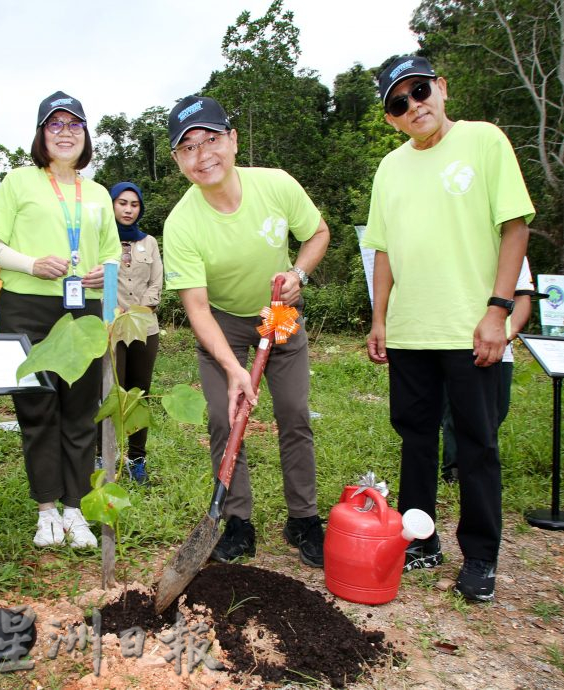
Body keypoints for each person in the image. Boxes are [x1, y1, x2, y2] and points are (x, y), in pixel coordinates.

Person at [363, 55, 532, 602]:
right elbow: (383, 251)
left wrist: (498, 309)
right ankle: (423, 540)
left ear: (441, 87)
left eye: (418, 91)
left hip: (470, 328)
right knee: (415, 440)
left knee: (477, 444)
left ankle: (480, 556)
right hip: (411, 329)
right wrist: (380, 318)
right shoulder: (390, 167)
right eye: (398, 103)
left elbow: (513, 227)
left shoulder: (484, 141)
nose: (413, 106)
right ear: (390, 118)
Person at [163, 95, 330, 567]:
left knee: (294, 413)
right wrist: (233, 368)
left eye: (211, 139)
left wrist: (298, 273)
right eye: (188, 147)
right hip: (223, 324)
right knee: (224, 416)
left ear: (233, 141)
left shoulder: (275, 185)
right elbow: (196, 308)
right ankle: (237, 522)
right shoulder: (182, 223)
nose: (203, 154)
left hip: (277, 313)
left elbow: (318, 232)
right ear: (178, 161)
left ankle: (304, 520)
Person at [0, 91, 119, 549]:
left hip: (81, 309)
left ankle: (75, 507)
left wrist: (106, 277)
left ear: (86, 137)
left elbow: (112, 257)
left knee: (79, 412)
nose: (65, 133)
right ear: (41, 135)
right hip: (27, 307)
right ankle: (46, 508)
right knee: (38, 408)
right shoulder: (19, 182)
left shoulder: (100, 193)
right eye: (55, 125)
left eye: (74, 125)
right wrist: (30, 264)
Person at [441, 258, 533, 483]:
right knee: (454, 409)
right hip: (458, 342)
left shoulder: (516, 255)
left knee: (497, 410)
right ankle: (454, 467)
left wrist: (506, 334)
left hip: (499, 346)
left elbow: (522, 299)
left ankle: (481, 462)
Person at [98, 182, 163, 484]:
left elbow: (156, 284)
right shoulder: (100, 240)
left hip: (144, 328)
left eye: (134, 204)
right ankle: (105, 458)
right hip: (110, 329)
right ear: (111, 205)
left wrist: (139, 310)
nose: (127, 209)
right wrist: (114, 313)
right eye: (122, 203)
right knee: (112, 393)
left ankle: (137, 459)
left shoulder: (148, 242)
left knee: (139, 393)